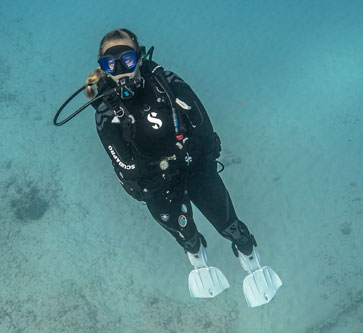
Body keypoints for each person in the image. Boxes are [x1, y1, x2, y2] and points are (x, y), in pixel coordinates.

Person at [85, 28, 281, 307]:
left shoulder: (164, 81)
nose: (120, 70)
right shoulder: (105, 110)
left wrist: (195, 153)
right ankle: (197, 256)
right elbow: (123, 163)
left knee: (230, 225)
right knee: (185, 234)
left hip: (193, 165)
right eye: (110, 64)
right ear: (102, 69)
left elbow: (202, 123)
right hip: (154, 184)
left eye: (126, 60)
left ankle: (251, 258)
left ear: (139, 57)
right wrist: (156, 169)